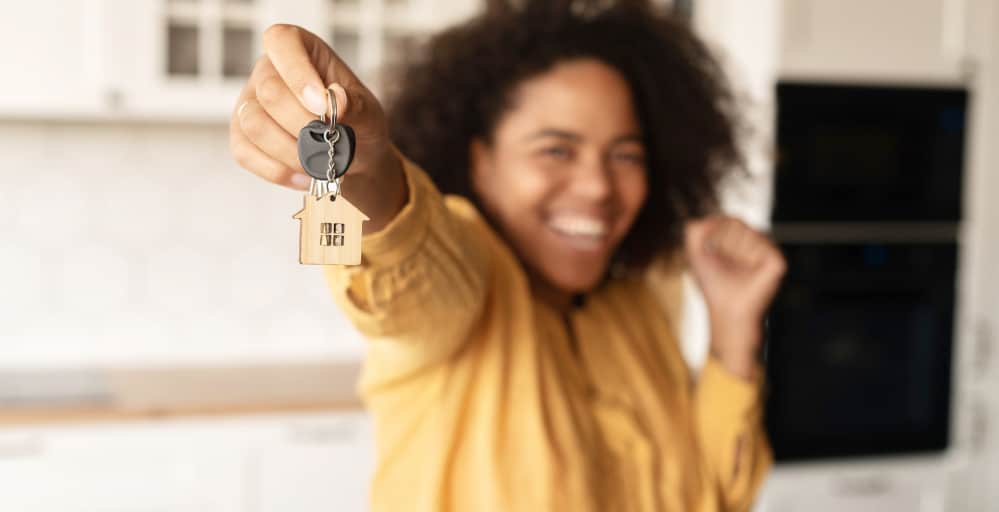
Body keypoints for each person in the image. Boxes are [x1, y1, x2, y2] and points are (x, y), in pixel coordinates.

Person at [230, 1, 785, 510]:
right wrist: (367, 167)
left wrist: (734, 323)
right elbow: (408, 260)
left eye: (625, 155)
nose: (598, 186)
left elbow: (713, 496)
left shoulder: (636, 301)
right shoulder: (469, 274)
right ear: (481, 161)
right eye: (556, 150)